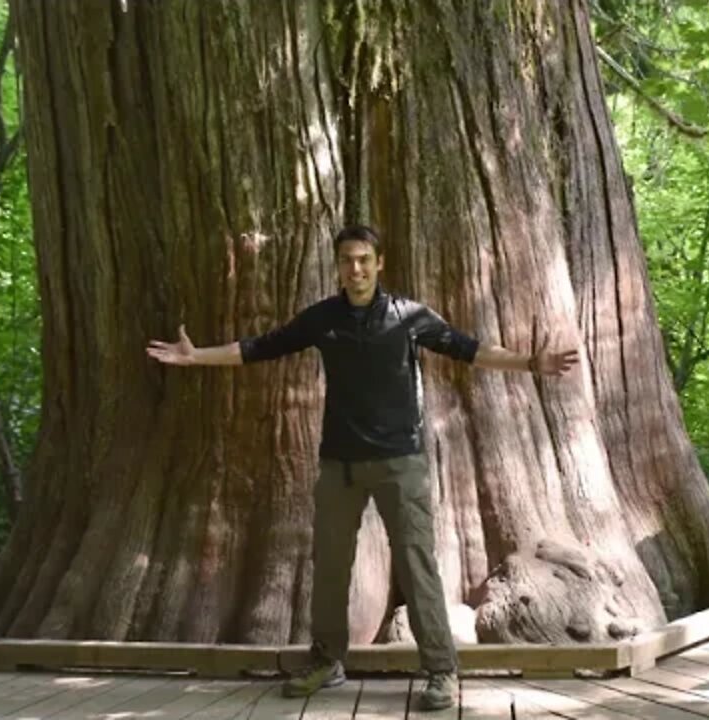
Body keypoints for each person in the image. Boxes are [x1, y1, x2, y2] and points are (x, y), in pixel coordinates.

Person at [146, 225, 579, 712]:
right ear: (337, 265)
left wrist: (530, 363)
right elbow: (259, 347)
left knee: (417, 567)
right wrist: (196, 356)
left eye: (364, 259)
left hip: (401, 463)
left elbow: (469, 348)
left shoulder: (409, 317)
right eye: (347, 260)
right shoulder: (323, 319)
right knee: (330, 568)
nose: (355, 269)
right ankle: (327, 660)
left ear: (379, 263)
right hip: (340, 466)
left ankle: (441, 670)